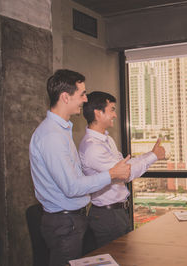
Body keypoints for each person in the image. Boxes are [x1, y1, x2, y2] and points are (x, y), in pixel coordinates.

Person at [29, 69, 131, 266]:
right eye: (82, 94)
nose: (85, 100)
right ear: (65, 97)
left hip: (71, 222)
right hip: (64, 224)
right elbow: (72, 186)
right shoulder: (52, 136)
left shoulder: (61, 131)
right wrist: (111, 174)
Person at [79, 91, 165, 248]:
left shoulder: (107, 139)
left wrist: (150, 154)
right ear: (98, 113)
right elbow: (125, 173)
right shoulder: (93, 148)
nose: (115, 115)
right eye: (111, 109)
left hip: (117, 213)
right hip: (107, 215)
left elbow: (124, 164)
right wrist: (153, 156)